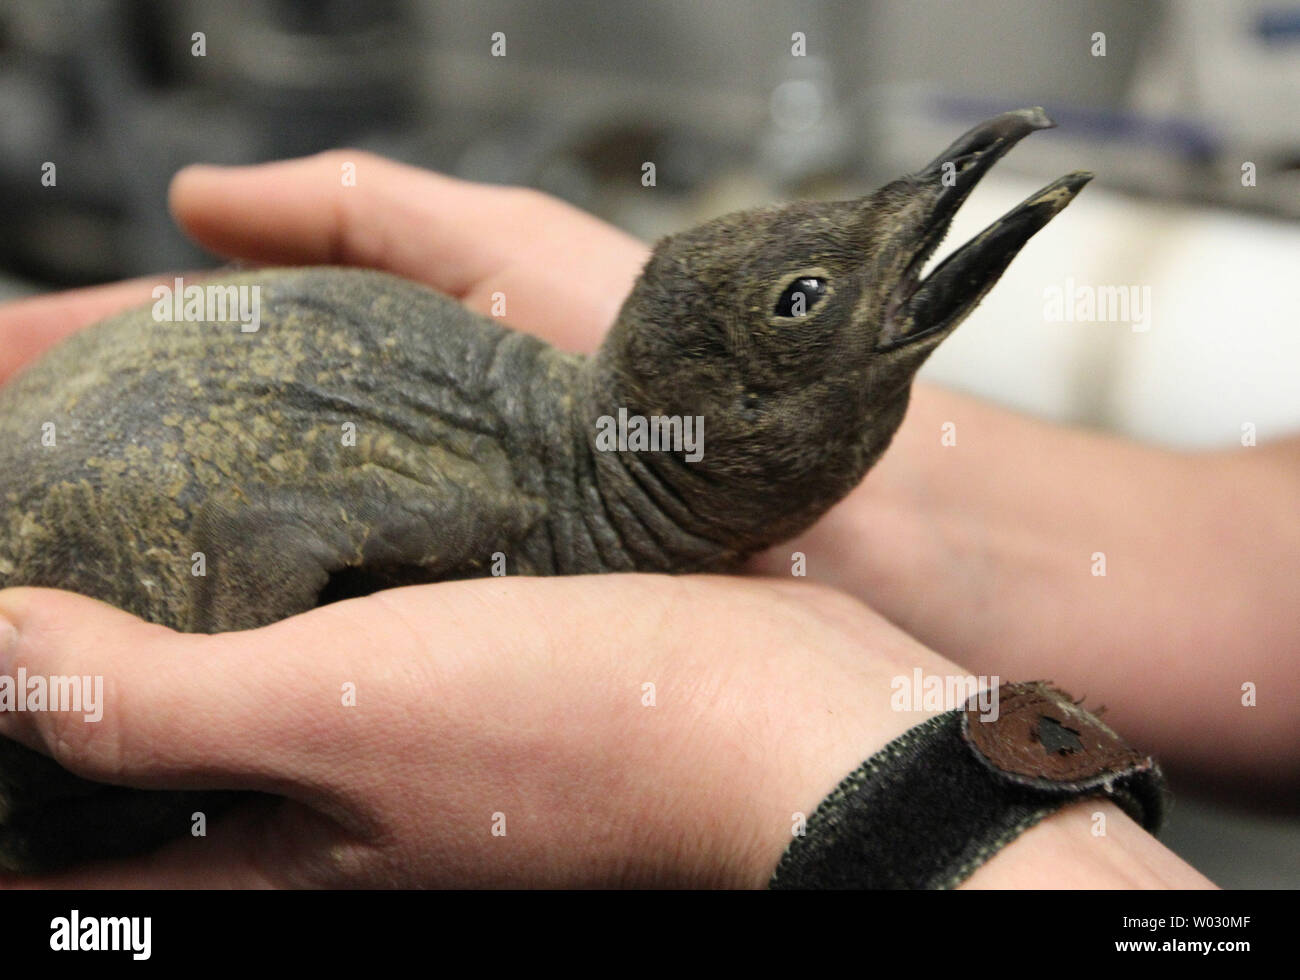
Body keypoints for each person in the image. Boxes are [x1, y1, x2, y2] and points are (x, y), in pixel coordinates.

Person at [0, 151, 1293, 888]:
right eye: (803, 302)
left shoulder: (554, 450)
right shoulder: (520, 486)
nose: (929, 204)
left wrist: (759, 756)